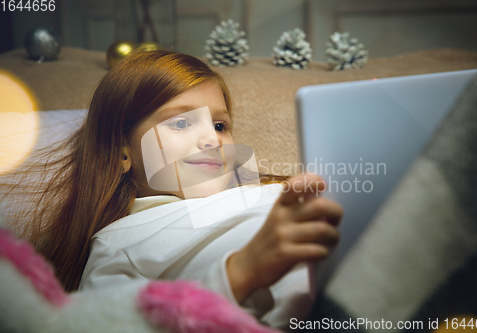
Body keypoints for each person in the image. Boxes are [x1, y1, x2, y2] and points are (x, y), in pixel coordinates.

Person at [3, 50, 342, 328]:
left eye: (220, 125)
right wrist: (240, 273)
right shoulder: (121, 243)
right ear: (123, 153)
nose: (212, 139)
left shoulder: (263, 191)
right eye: (181, 122)